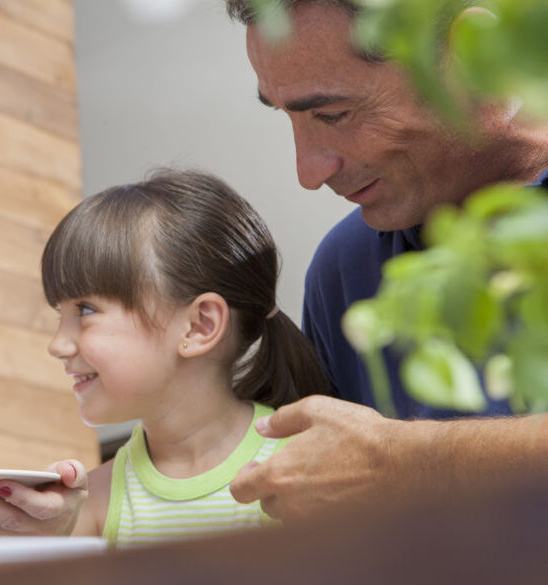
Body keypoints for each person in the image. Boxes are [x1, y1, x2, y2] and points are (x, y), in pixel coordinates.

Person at [219, 0, 548, 520]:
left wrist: (409, 464)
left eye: (333, 114)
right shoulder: (344, 271)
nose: (309, 170)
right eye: (289, 117)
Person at [0, 169, 330, 546]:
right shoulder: (93, 503)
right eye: (61, 315)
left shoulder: (306, 466)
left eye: (85, 310)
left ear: (199, 326)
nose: (57, 345)